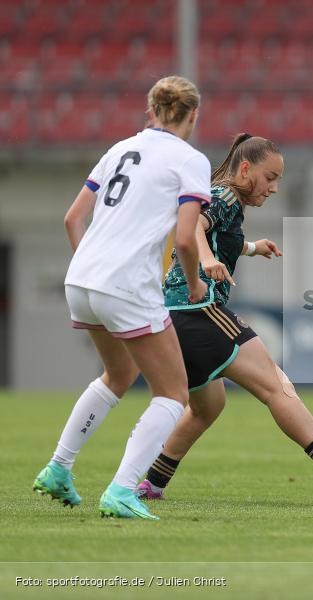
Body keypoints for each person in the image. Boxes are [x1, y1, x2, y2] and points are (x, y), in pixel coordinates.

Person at [135, 133, 313, 501]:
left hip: (174, 316)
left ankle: (152, 484)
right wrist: (207, 261)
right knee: (276, 383)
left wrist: (253, 248)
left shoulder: (222, 197)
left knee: (208, 407)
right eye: (270, 177)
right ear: (245, 169)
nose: (273, 188)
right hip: (200, 310)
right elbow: (191, 227)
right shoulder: (225, 194)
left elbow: (217, 234)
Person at [33, 75, 210, 520]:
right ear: (193, 115)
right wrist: (194, 285)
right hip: (126, 284)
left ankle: (58, 467)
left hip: (83, 280)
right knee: (173, 394)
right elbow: (187, 240)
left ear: (151, 111)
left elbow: (74, 218)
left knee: (118, 374)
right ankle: (121, 490)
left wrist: (94, 269)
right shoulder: (190, 160)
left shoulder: (119, 149)